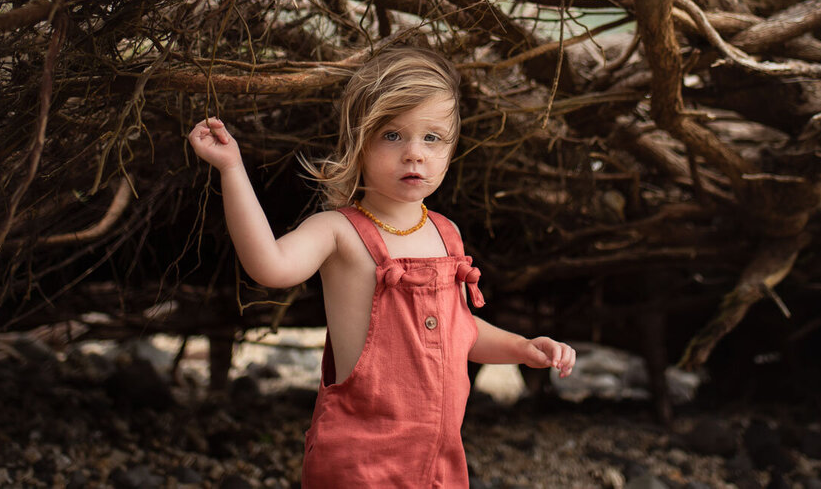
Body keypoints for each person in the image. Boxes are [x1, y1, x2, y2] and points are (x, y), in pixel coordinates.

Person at [188, 46, 576, 487]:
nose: (415, 153)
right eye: (393, 135)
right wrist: (231, 170)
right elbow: (269, 265)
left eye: (432, 138)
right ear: (359, 140)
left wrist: (524, 349)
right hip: (361, 461)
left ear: (451, 147)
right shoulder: (338, 231)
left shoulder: (446, 233)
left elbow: (459, 331)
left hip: (439, 462)